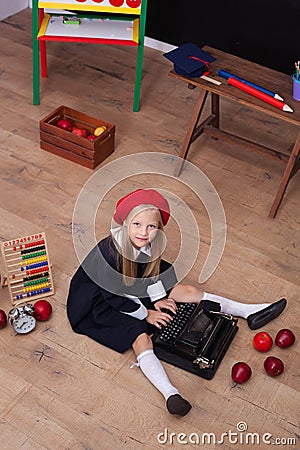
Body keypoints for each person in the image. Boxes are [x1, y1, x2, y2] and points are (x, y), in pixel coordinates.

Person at [67, 188, 287, 417]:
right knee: (140, 336)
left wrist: (158, 298)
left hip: (130, 283)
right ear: (125, 225)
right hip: (99, 300)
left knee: (186, 291)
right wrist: (147, 314)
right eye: (137, 224)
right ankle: (170, 394)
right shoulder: (109, 253)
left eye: (151, 226)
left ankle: (248, 311)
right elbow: (114, 296)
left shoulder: (148, 244)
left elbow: (150, 275)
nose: (144, 232)